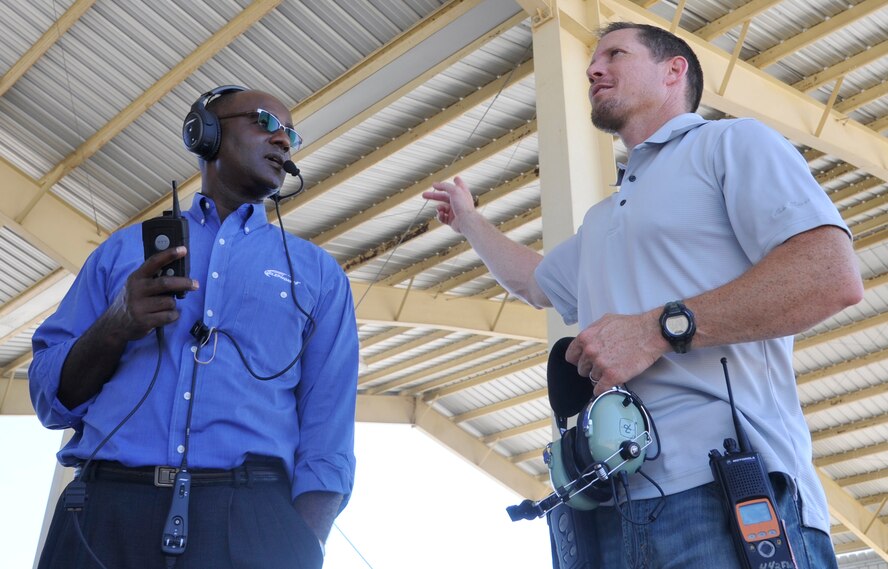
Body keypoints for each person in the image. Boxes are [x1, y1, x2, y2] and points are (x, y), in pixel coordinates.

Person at [423, 22, 863, 569]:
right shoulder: (606, 217)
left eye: (615, 54)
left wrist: (659, 327)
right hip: (609, 507)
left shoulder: (730, 143)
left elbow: (828, 276)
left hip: (722, 488)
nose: (592, 68)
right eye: (592, 60)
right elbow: (534, 282)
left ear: (673, 69)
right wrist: (469, 223)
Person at [29, 86, 358, 569]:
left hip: (253, 523)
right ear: (204, 134)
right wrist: (116, 324)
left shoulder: (320, 275)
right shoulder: (121, 252)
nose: (284, 141)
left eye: (292, 135)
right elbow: (48, 398)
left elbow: (328, 433)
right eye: (267, 122)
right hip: (103, 513)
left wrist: (302, 546)